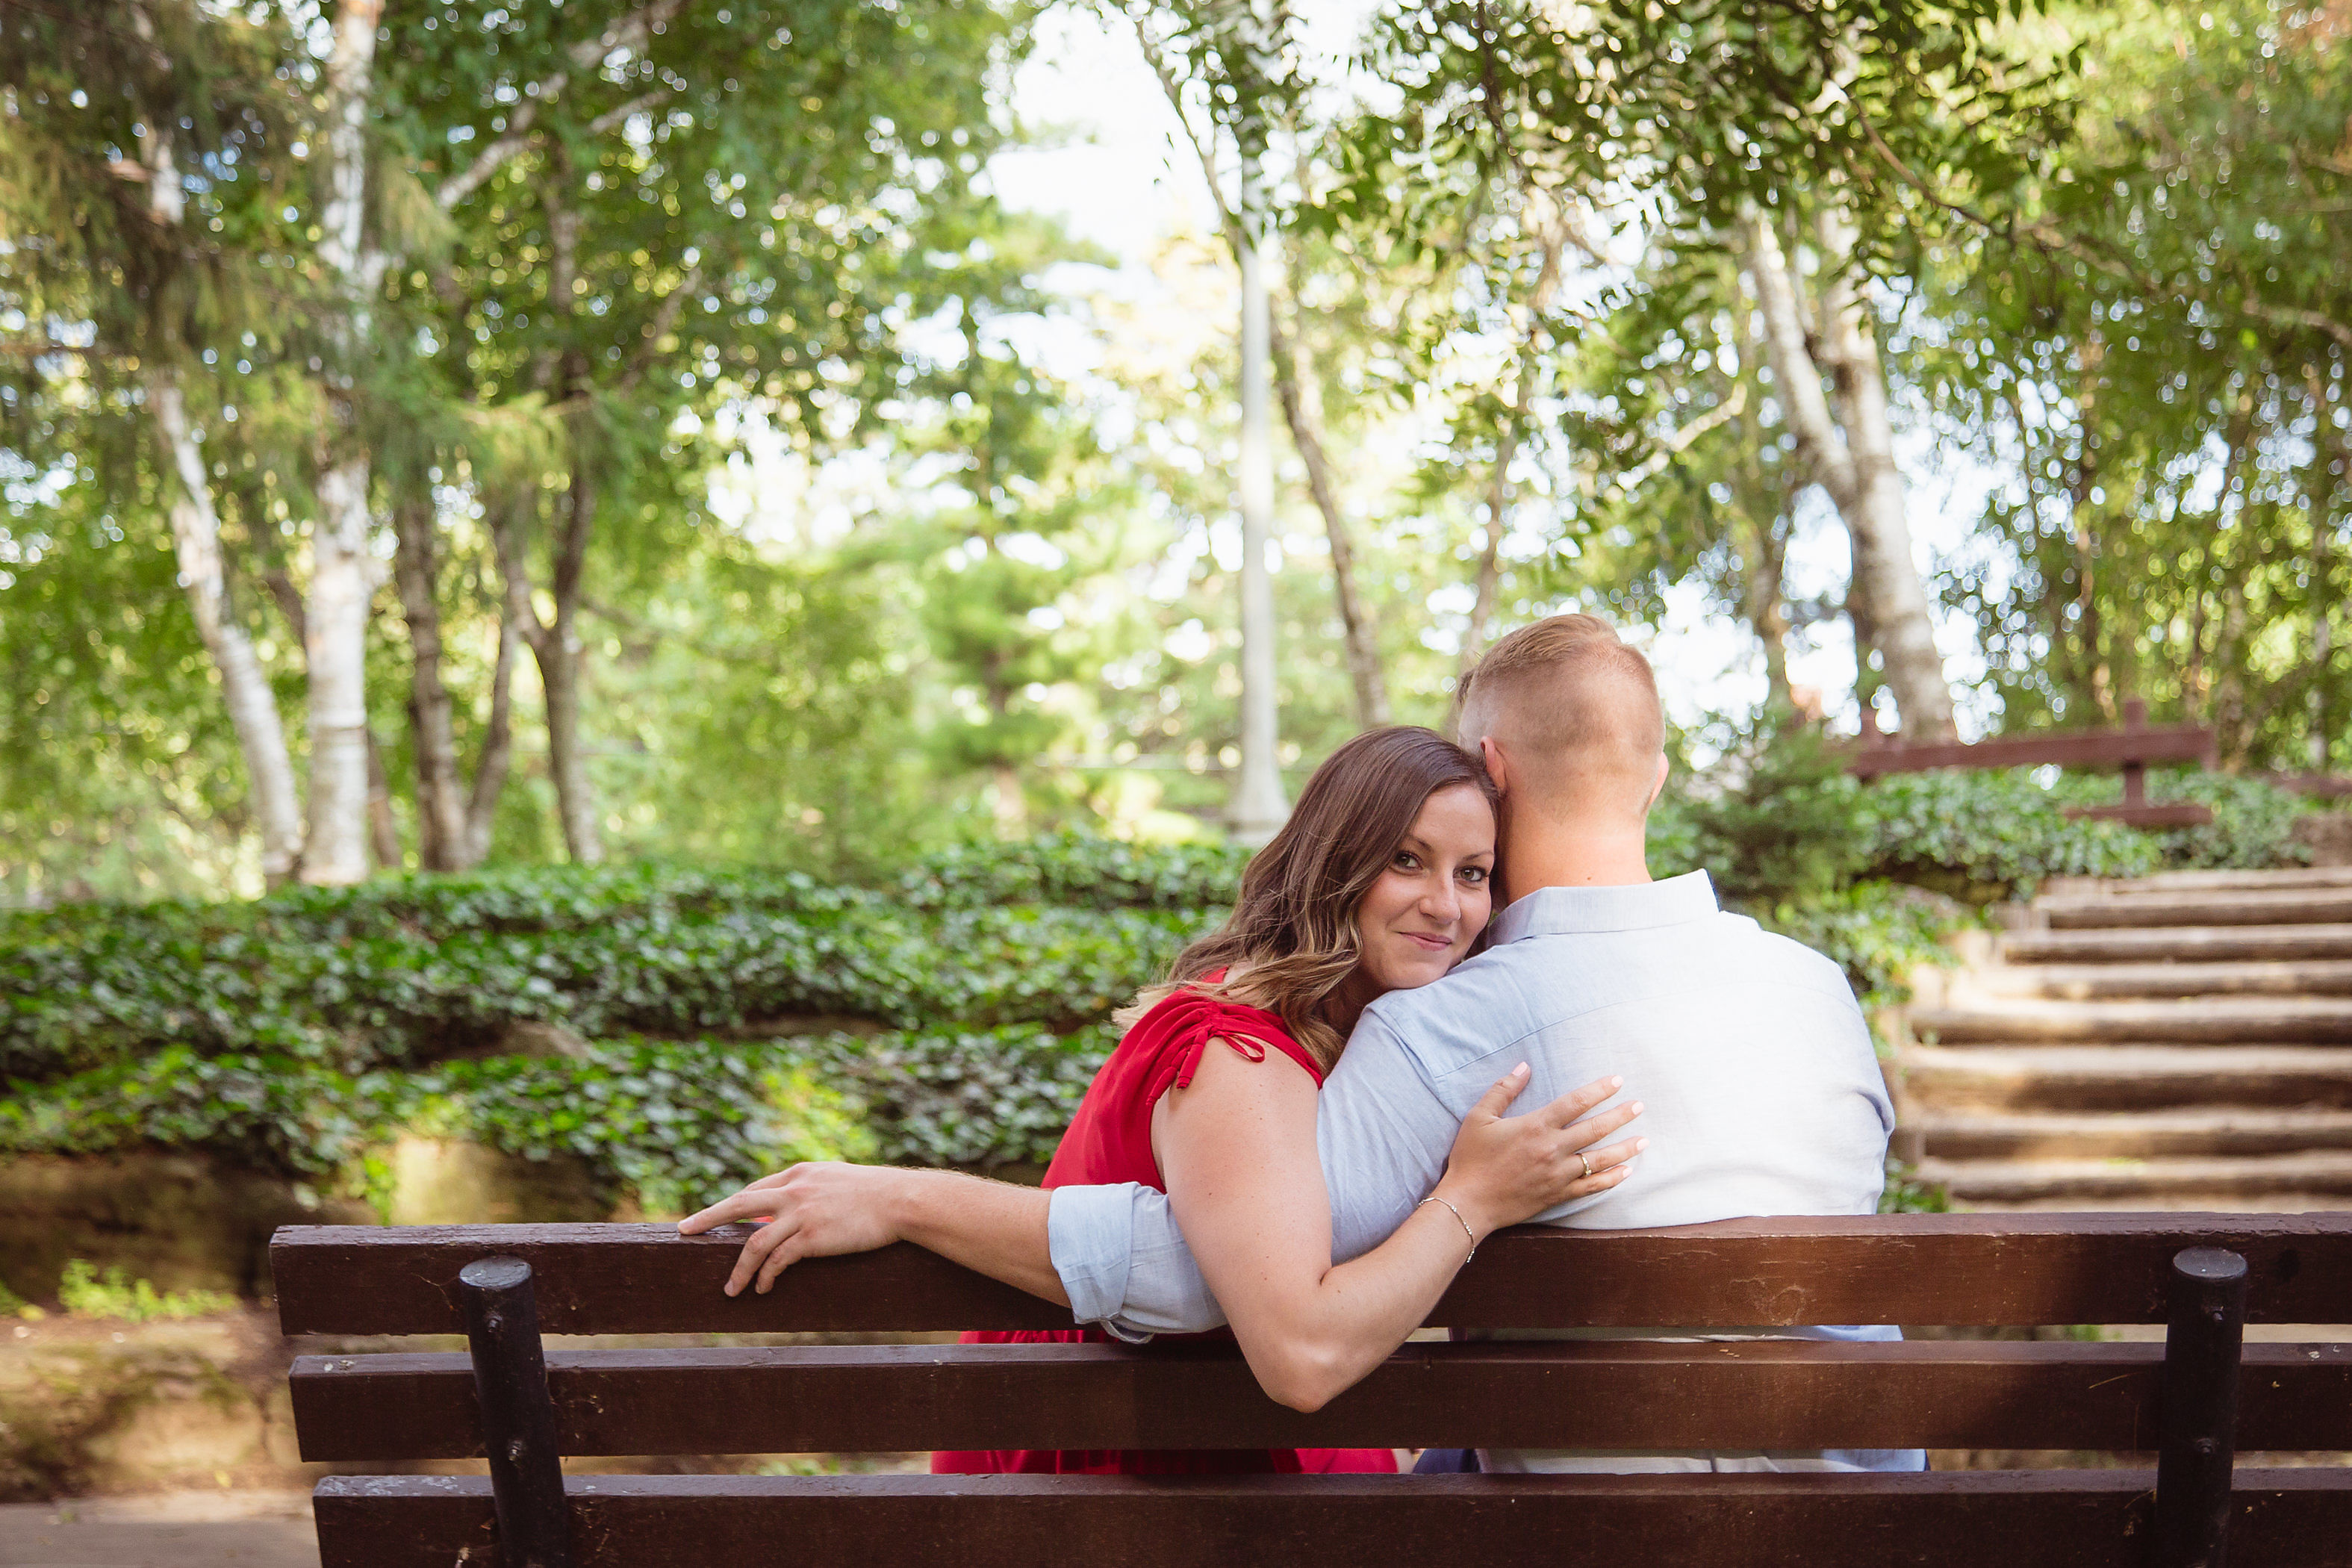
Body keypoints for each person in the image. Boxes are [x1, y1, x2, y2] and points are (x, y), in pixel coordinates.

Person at [1047, 614, 1922, 1474]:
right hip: (1858, 1520)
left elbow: (1216, 1279)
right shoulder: (1818, 992)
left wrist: (929, 1207)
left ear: (1492, 776)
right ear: (1653, 781)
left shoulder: (1449, 1030)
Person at [679, 724, 1646, 1475]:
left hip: (1213, 1433)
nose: (1447, 904)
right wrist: (1471, 1201)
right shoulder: (1236, 1051)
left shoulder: (1367, 1043)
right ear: (1334, 863)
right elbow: (1301, 1357)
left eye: (1472, 874)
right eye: (1406, 859)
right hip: (1119, 1449)